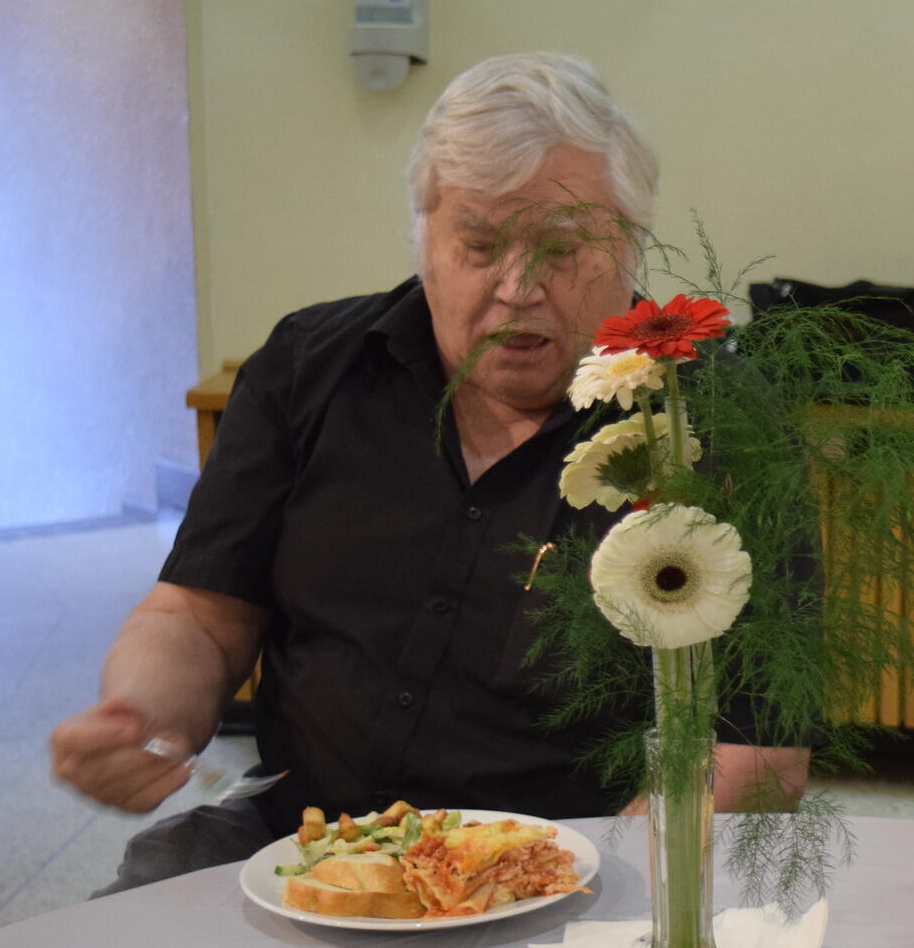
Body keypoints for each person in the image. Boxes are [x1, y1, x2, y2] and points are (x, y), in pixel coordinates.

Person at [52, 52, 807, 890]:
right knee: (135, 921)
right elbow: (200, 616)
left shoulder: (719, 425)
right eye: (480, 244)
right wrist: (143, 721)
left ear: (630, 248)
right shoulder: (308, 371)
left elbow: (757, 752)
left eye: (561, 248)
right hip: (302, 841)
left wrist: (601, 891)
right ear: (425, 240)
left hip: (576, 865)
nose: (518, 288)